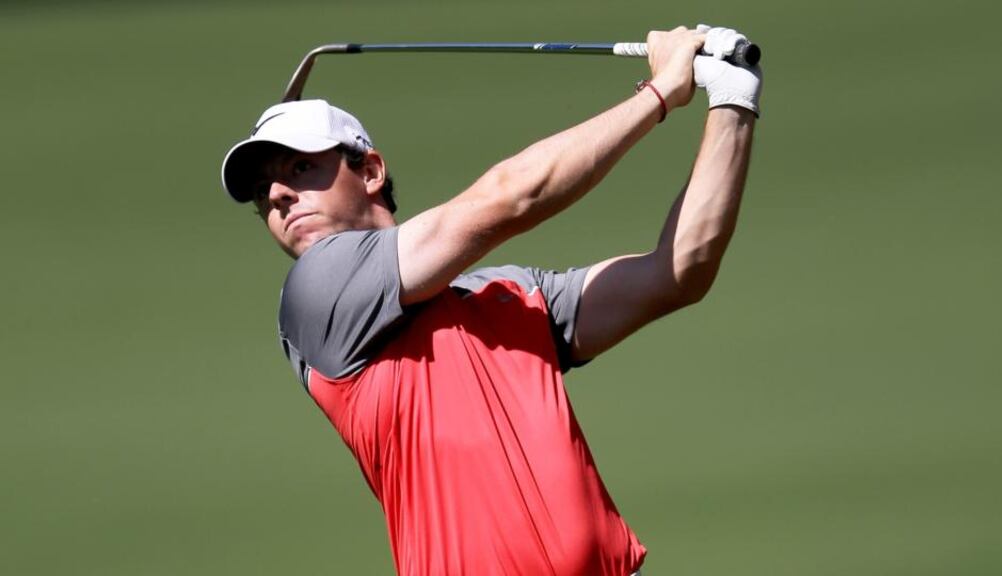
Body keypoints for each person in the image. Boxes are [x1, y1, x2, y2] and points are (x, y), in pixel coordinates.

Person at [220, 25, 761, 576]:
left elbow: (678, 271)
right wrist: (662, 91)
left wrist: (733, 98)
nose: (279, 196)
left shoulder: (508, 295)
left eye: (299, 168)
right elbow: (510, 198)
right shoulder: (318, 291)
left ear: (371, 171)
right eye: (263, 194)